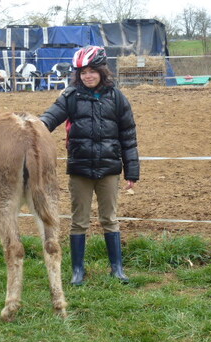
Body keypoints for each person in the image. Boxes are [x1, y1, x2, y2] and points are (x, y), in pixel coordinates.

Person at [40, 46, 140, 285]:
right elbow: (50, 118)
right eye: (83, 72)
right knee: (79, 221)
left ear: (102, 71)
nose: (88, 76)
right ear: (78, 74)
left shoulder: (117, 98)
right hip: (80, 169)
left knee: (110, 219)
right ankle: (77, 271)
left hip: (109, 169)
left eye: (93, 71)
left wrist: (131, 170)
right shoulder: (70, 96)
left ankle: (117, 268)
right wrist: (33, 127)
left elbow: (128, 135)